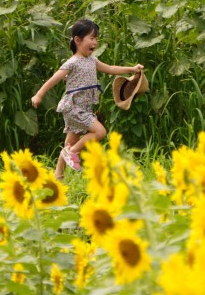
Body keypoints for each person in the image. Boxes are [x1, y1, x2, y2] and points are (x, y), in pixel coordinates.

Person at [31, 19, 143, 179]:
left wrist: (131, 69)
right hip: (74, 107)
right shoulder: (72, 63)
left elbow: (110, 69)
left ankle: (58, 175)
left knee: (70, 141)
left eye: (96, 38)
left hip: (84, 108)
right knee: (100, 132)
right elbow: (53, 80)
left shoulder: (92, 60)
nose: (95, 42)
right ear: (77, 40)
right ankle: (72, 153)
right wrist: (39, 94)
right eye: (91, 38)